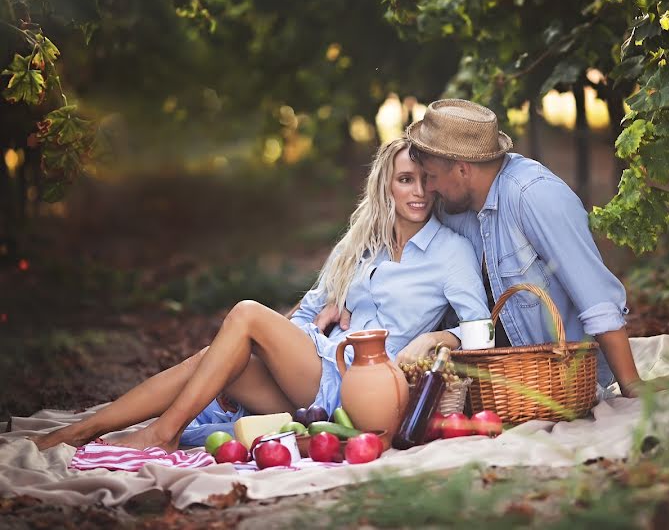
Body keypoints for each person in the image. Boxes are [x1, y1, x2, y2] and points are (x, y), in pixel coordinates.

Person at [32, 138, 489, 452]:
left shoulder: (451, 251)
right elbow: (307, 311)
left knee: (248, 314)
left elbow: (481, 331)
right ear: (385, 187)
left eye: (425, 180)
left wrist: (436, 339)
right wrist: (274, 353)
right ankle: (83, 429)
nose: (419, 191)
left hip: (361, 386)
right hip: (316, 372)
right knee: (213, 358)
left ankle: (162, 432)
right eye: (405, 180)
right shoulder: (362, 245)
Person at [401, 98, 669, 398]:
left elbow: (596, 296)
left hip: (551, 375)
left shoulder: (534, 196)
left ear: (462, 170)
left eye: (431, 177)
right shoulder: (454, 206)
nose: (428, 189)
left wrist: (631, 384)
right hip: (487, 372)